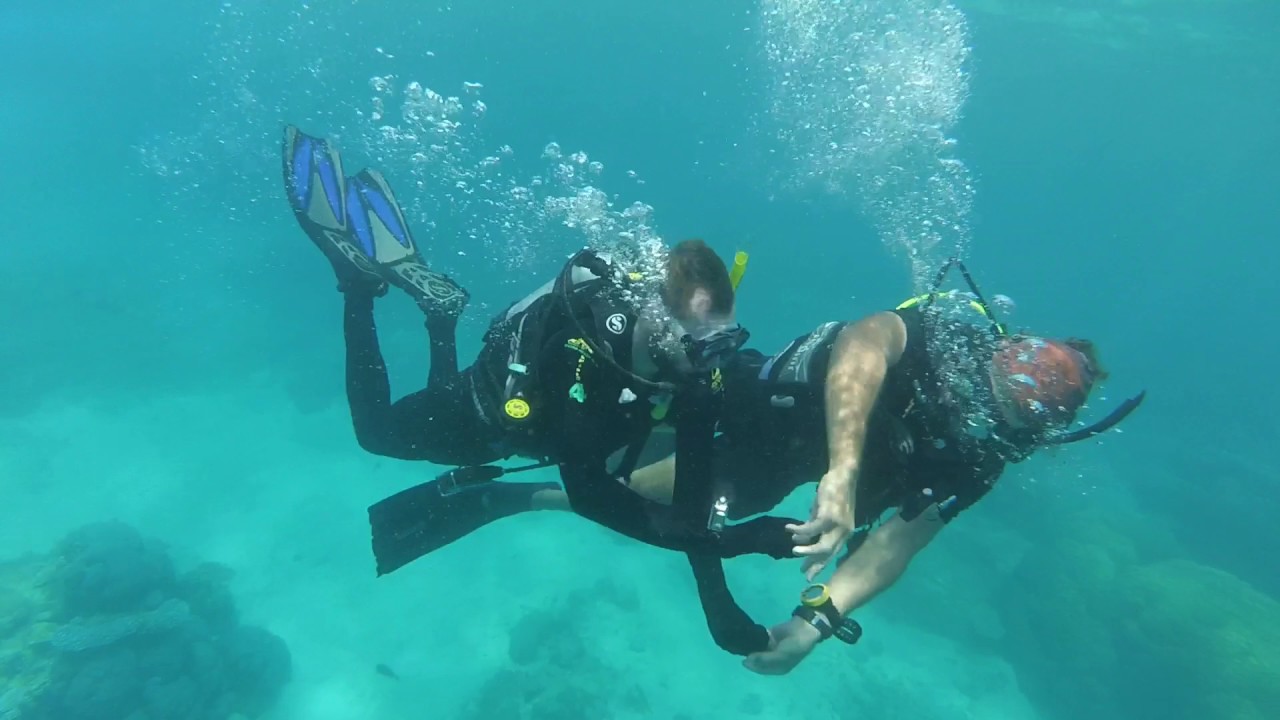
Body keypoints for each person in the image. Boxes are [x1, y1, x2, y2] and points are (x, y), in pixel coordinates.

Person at [281, 126, 802, 654]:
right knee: (376, 434)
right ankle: (359, 288)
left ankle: (440, 316)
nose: (709, 362)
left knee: (439, 406)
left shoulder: (690, 370)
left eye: (724, 342)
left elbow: (690, 505)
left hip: (534, 424)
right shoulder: (579, 359)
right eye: (703, 343)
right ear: (656, 318)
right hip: (487, 418)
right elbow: (593, 497)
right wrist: (739, 542)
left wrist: (721, 612)